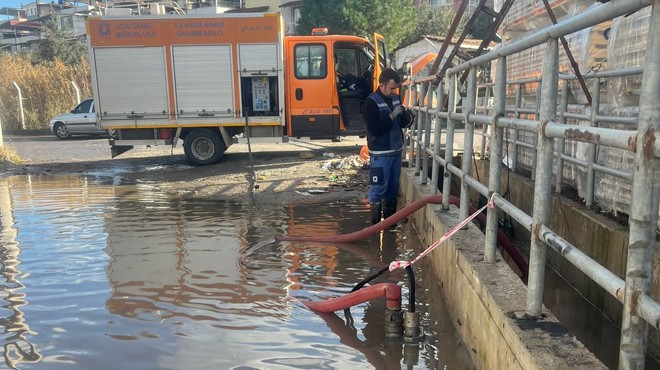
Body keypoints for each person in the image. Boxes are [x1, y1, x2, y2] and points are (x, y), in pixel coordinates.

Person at [363, 68, 413, 225]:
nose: (394, 92)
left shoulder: (396, 98)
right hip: (380, 154)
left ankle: (390, 226)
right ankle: (375, 227)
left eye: (395, 88)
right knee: (378, 190)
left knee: (392, 190)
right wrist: (391, 116)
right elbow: (374, 129)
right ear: (382, 85)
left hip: (396, 152)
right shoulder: (371, 103)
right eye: (391, 88)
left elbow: (403, 124)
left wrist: (408, 117)